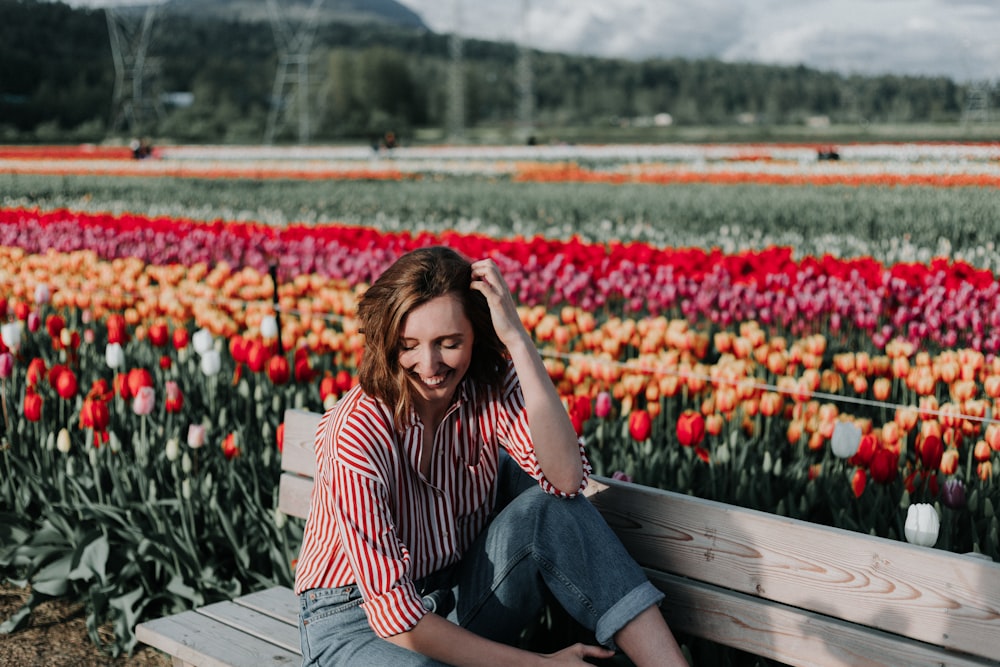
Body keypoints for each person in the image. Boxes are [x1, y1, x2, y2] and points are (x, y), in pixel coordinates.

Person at [294, 246, 688, 666]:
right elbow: (397, 617)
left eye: (449, 343)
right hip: (354, 618)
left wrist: (516, 337)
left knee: (550, 509)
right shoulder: (356, 430)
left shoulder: (487, 385)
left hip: (454, 591)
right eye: (409, 345)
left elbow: (566, 479)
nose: (429, 365)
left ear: (476, 336)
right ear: (388, 340)